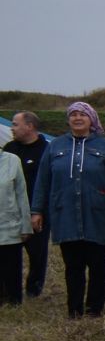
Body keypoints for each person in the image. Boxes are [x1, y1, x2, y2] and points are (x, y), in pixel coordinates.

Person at [30, 102, 105, 319]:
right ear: (68, 119)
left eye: (82, 114)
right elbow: (43, 181)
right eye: (73, 115)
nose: (77, 118)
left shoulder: (104, 146)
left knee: (98, 264)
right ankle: (74, 309)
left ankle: (94, 308)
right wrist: (37, 210)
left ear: (91, 119)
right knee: (72, 265)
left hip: (97, 215)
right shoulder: (55, 147)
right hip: (66, 215)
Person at [5, 111, 49, 299]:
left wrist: (39, 210)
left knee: (37, 255)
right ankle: (8, 292)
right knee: (9, 255)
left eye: (15, 124)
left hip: (37, 211)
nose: (11, 128)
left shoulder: (46, 150)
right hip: (11, 213)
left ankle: (34, 289)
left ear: (29, 126)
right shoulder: (9, 149)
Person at [0, 121, 29, 306]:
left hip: (9, 225)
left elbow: (21, 194)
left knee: (11, 266)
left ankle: (14, 301)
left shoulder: (12, 160)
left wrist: (25, 225)